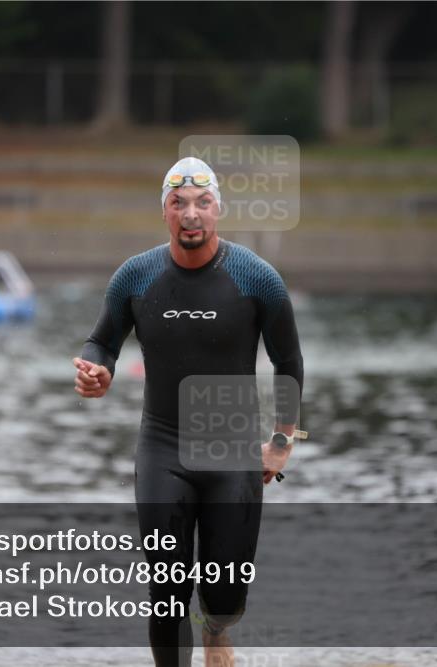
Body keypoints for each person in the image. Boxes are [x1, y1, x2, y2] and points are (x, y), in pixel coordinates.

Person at [73, 157, 304, 667]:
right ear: (165, 212)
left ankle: (217, 633)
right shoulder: (136, 277)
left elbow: (288, 361)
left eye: (202, 202)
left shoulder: (257, 279)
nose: (191, 214)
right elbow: (100, 342)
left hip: (233, 454)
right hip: (163, 448)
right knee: (166, 592)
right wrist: (95, 370)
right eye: (179, 203)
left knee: (223, 598)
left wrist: (282, 442)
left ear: (218, 208)